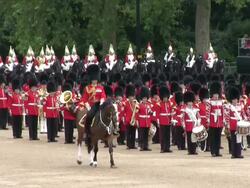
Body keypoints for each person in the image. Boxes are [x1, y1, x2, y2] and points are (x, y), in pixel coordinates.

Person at [225, 86, 245, 159]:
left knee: (239, 139)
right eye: (233, 99)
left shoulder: (240, 106)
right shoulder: (229, 107)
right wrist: (227, 124)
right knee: (233, 139)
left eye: (236, 99)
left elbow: (243, 114)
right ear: (231, 100)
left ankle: (238, 153)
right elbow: (227, 116)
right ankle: (234, 154)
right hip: (232, 124)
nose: (235, 101)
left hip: (239, 124)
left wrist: (245, 119)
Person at [208, 81, 224, 157]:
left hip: (219, 122)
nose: (216, 96)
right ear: (212, 94)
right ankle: (213, 151)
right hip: (212, 122)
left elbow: (223, 112)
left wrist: (223, 120)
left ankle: (217, 151)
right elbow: (208, 112)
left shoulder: (221, 102)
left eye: (217, 94)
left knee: (218, 137)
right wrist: (208, 120)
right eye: (215, 94)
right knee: (213, 138)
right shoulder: (210, 102)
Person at [137, 87, 152, 151]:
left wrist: (150, 112)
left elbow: (150, 113)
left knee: (146, 135)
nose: (145, 99)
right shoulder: (139, 105)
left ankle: (146, 146)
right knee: (142, 134)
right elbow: (137, 114)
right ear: (142, 99)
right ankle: (141, 146)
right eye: (144, 98)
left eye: (146, 98)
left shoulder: (149, 105)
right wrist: (137, 121)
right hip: (142, 121)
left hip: (147, 122)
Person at [158, 86, 172, 153]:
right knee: (163, 136)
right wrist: (158, 121)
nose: (165, 99)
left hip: (168, 121)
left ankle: (167, 147)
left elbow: (170, 112)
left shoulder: (169, 103)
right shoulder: (159, 104)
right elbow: (158, 114)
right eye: (164, 98)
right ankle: (162, 148)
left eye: (166, 98)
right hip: (162, 121)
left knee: (168, 135)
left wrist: (171, 119)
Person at [124, 84, 138, 149]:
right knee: (128, 133)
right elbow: (123, 111)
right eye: (130, 97)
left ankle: (132, 145)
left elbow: (137, 111)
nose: (131, 98)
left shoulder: (135, 103)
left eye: (132, 97)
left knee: (133, 133)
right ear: (128, 97)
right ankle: (128, 145)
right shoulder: (126, 103)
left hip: (134, 120)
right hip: (128, 120)